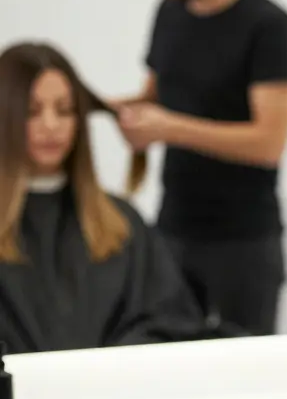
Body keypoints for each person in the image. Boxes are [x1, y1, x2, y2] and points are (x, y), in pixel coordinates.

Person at [114, 0, 287, 335]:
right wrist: (89, 105)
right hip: (173, 231)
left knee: (248, 369)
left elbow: (269, 143)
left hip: (245, 243)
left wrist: (169, 128)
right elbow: (154, 98)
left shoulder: (269, 26)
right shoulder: (168, 13)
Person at [0, 42, 206, 354]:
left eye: (65, 110)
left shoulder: (121, 223)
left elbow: (171, 323)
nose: (51, 126)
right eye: (32, 111)